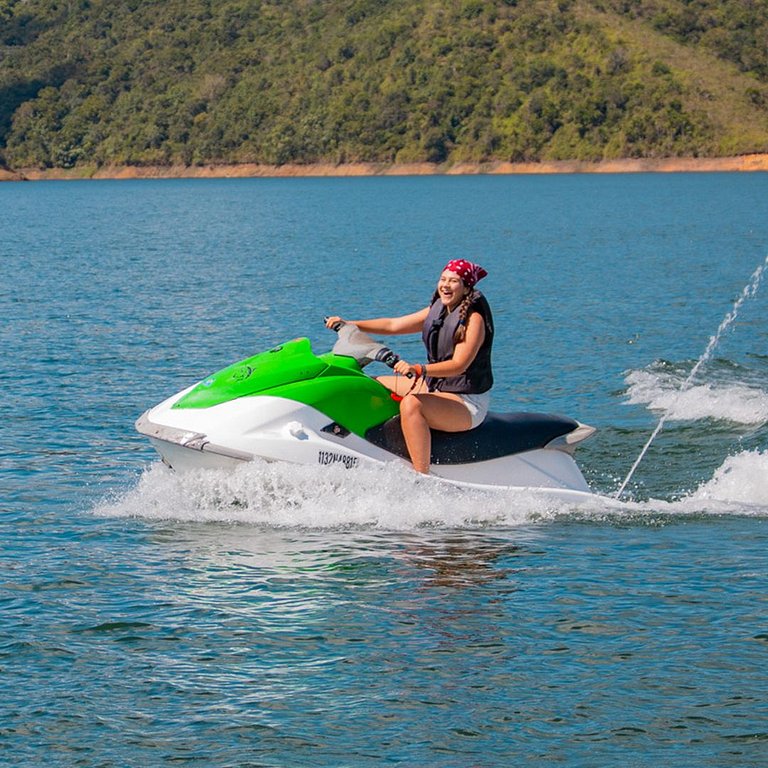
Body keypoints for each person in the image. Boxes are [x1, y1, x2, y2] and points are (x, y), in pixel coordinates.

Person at [325, 259, 494, 474]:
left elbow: (459, 365)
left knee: (412, 405)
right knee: (371, 384)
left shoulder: (473, 319)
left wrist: (419, 370)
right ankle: (368, 443)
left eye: (453, 281)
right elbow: (393, 325)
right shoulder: (439, 310)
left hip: (466, 401)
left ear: (467, 287)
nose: (445, 285)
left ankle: (421, 476)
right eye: (443, 279)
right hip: (436, 387)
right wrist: (351, 324)